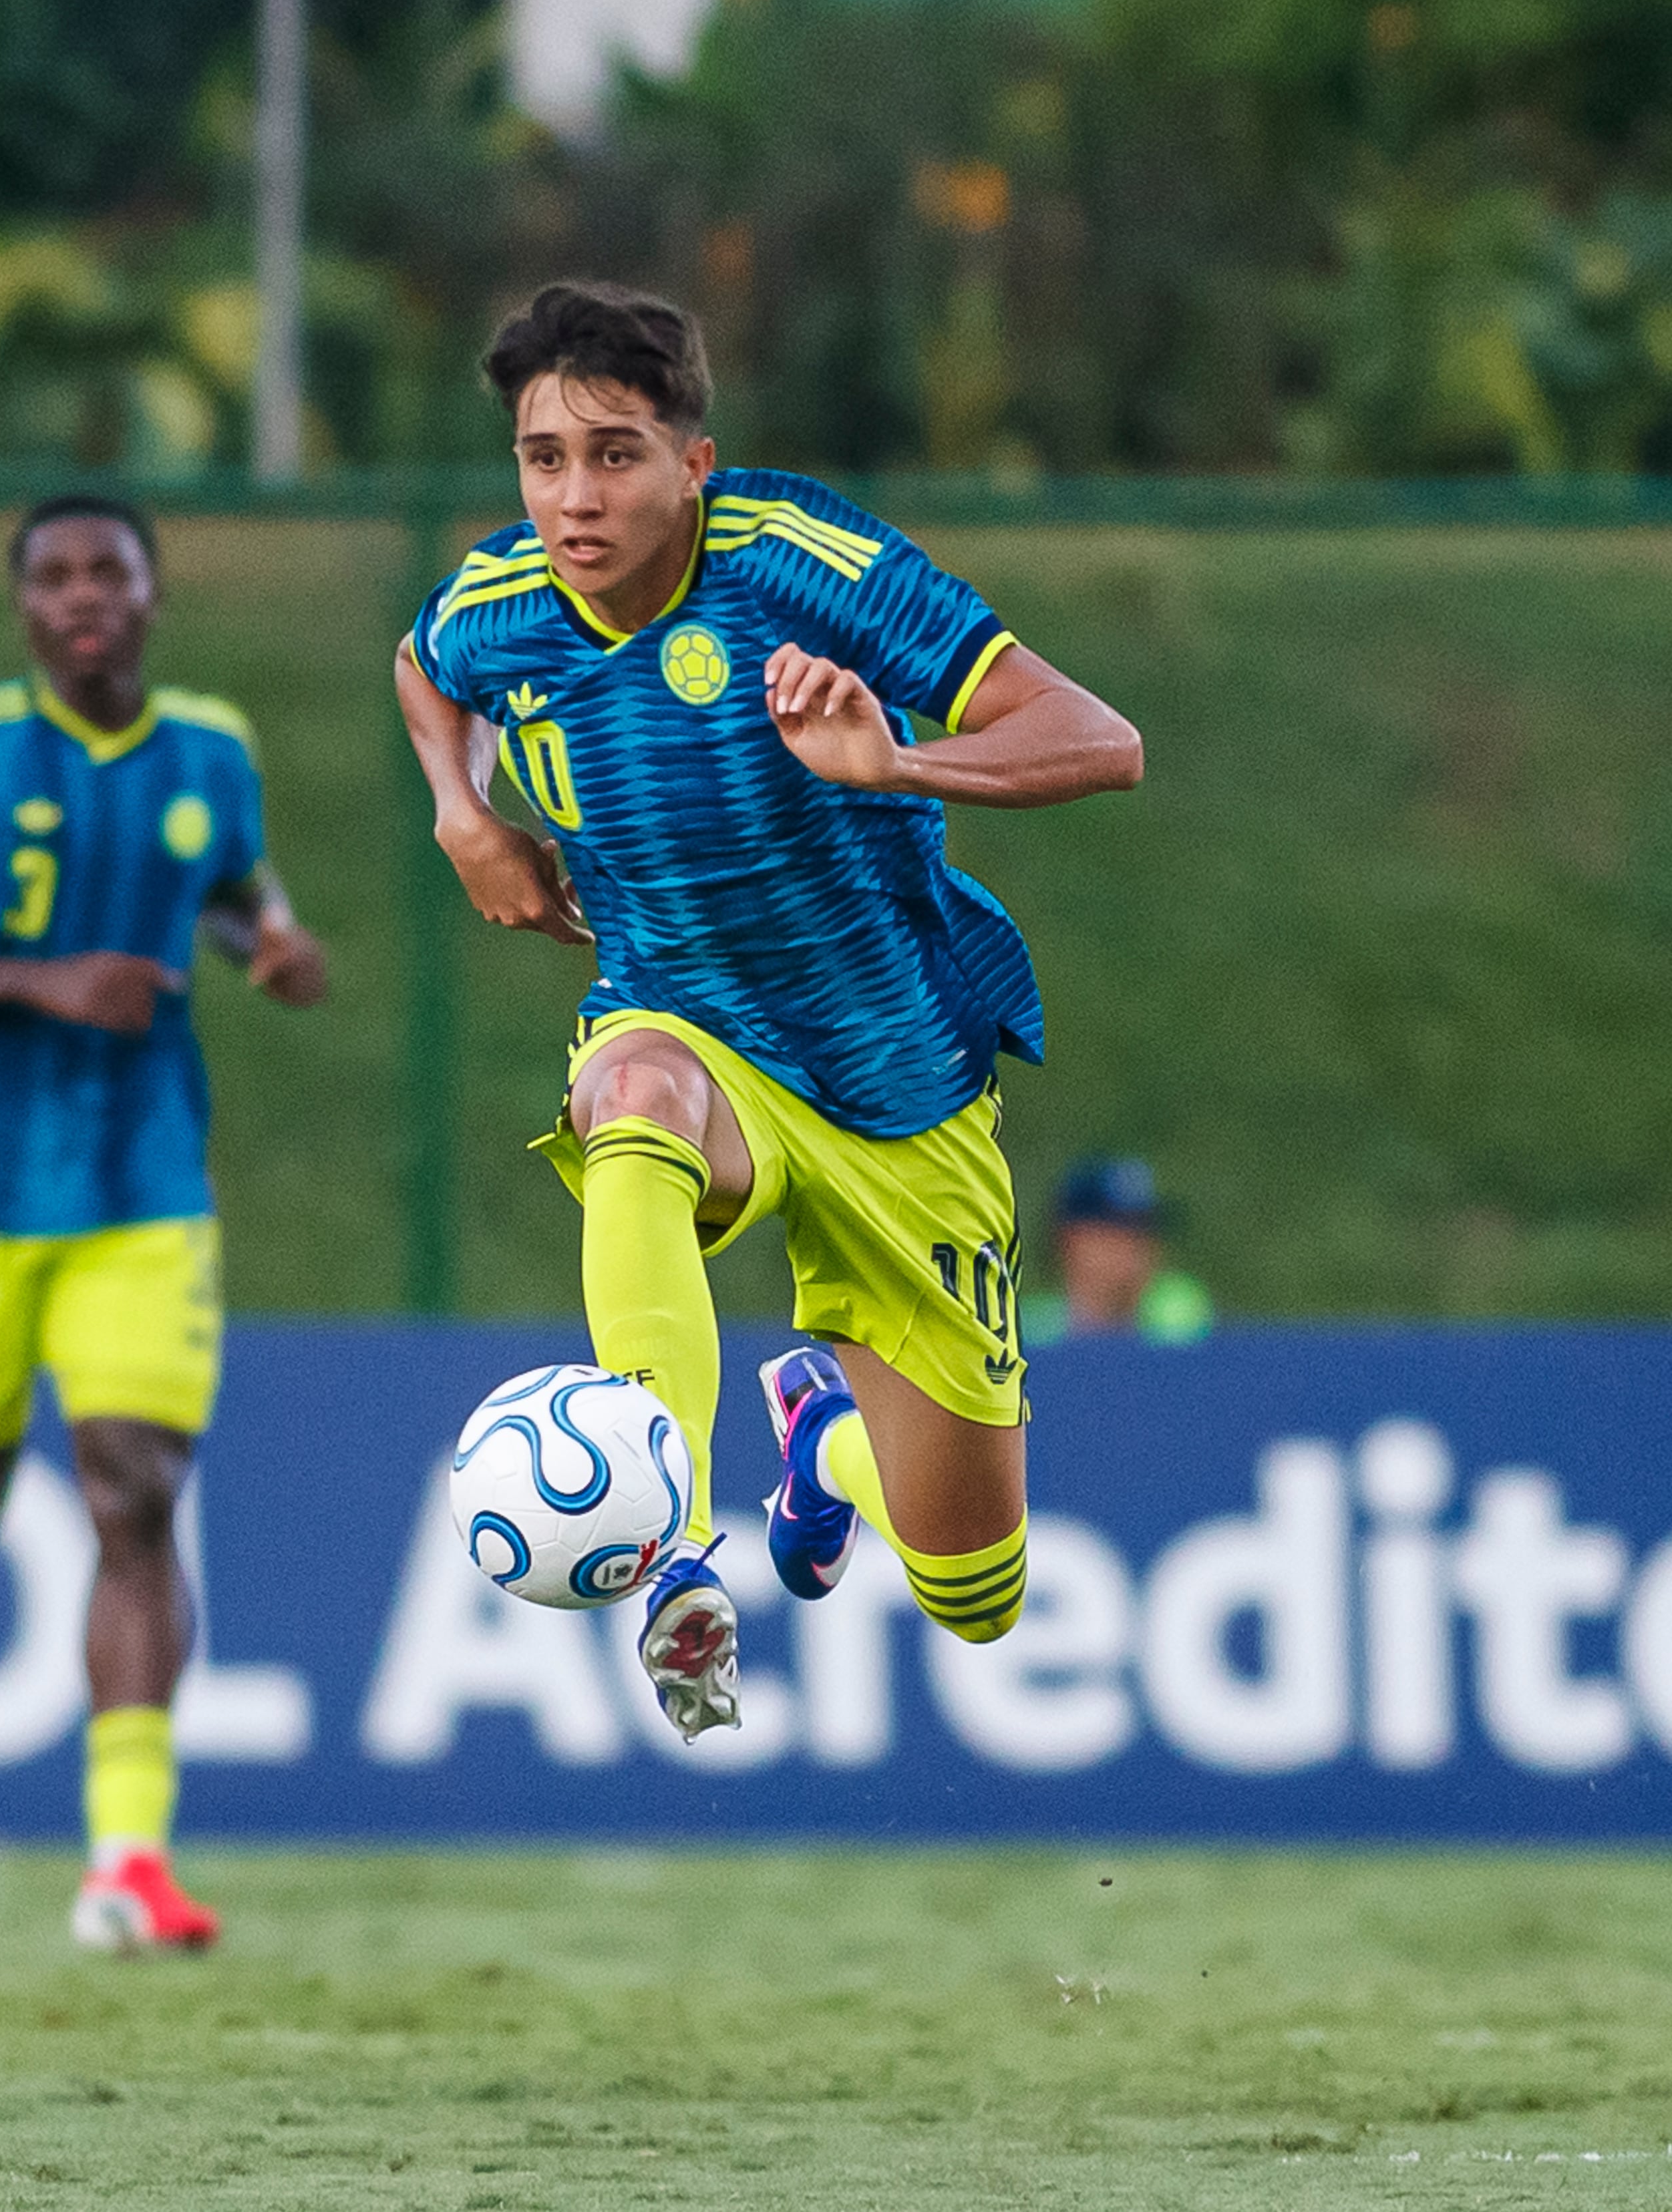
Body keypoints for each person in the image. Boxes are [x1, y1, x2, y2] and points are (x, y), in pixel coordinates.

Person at [393, 283, 1142, 1739]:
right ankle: (675, 1544)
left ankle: (823, 1446)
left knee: (975, 1588)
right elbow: (425, 673)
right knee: (634, 1101)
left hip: (898, 1079)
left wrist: (894, 765)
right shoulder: (499, 606)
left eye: (616, 454)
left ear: (695, 463)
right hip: (684, 1024)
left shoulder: (800, 565)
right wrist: (462, 814)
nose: (574, 496)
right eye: (543, 458)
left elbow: (1097, 738)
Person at [0, 492, 327, 1948]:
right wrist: (38, 982)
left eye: (111, 569)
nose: (83, 593)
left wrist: (269, 940)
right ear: (23, 608)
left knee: (135, 1491)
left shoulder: (213, 747)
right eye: (54, 575)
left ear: (155, 594)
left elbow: (228, 885)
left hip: (142, 1176)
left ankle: (128, 1857)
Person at [1018, 1154, 1214, 1346]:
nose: (1135, 1247)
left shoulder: (1181, 1317)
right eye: (1117, 1231)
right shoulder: (1030, 1333)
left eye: (1145, 1230)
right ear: (1071, 1239)